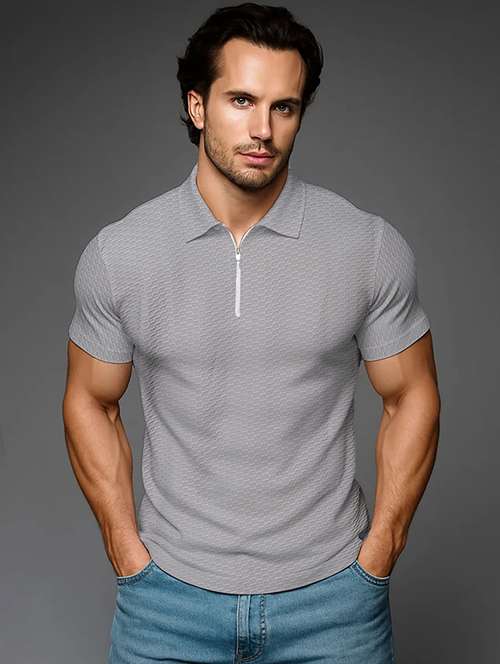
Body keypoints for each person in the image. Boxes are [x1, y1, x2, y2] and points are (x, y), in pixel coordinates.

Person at [62, 3, 440, 663]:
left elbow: (413, 395)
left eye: (283, 107)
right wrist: (125, 549)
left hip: (334, 606)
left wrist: (380, 551)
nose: (263, 129)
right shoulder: (121, 254)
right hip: (166, 605)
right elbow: (89, 400)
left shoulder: (367, 247)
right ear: (198, 106)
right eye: (241, 101)